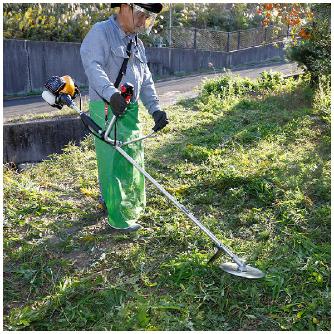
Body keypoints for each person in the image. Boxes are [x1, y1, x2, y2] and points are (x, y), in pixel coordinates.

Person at [80, 3, 168, 232]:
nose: (142, 22)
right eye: (140, 15)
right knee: (113, 162)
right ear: (124, 8)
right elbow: (92, 66)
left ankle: (123, 204)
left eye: (147, 18)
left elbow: (145, 79)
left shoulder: (136, 42)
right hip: (108, 107)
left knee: (131, 158)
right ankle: (118, 218)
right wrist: (112, 94)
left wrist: (155, 109)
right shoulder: (101, 32)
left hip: (131, 109)